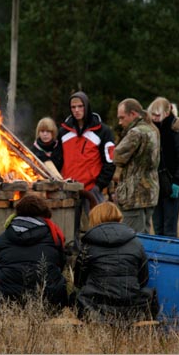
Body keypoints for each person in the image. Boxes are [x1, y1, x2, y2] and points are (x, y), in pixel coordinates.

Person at [72, 202, 158, 323]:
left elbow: (79, 282)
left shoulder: (88, 245)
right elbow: (143, 280)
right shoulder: (136, 243)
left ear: (94, 219)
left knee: (74, 295)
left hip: (95, 308)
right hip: (132, 308)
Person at [0, 194, 68, 313]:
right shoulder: (54, 238)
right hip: (48, 301)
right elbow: (61, 265)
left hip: (6, 300)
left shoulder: (1, 239)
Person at [58, 91, 116, 248]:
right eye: (73, 107)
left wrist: (100, 185)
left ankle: (101, 253)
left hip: (92, 188)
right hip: (70, 189)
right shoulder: (63, 131)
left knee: (99, 226)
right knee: (70, 229)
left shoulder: (103, 131)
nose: (76, 110)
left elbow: (110, 162)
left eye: (80, 106)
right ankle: (73, 260)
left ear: (87, 106)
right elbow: (57, 160)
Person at [113, 98, 160, 234]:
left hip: (134, 196)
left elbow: (117, 156)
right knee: (145, 237)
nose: (120, 122)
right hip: (149, 193)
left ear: (133, 114)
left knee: (131, 238)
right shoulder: (153, 129)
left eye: (122, 118)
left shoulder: (136, 132)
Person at [147, 97, 179, 237]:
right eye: (152, 115)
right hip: (155, 184)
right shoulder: (152, 131)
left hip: (171, 184)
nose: (154, 118)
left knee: (169, 229)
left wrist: (177, 181)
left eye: (157, 115)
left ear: (166, 113)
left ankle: (170, 256)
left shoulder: (177, 132)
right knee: (158, 228)